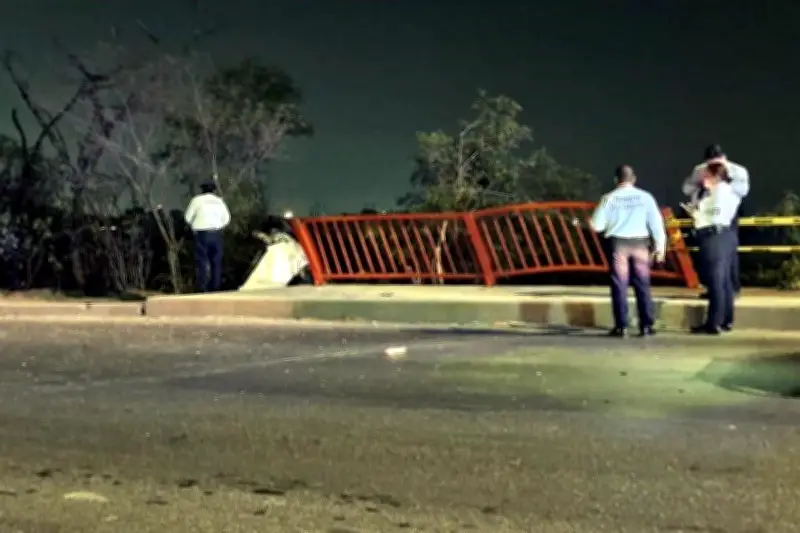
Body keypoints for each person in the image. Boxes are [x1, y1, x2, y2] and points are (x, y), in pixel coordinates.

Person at [590, 165, 666, 337]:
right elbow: (656, 224)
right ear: (634, 179)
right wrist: (660, 247)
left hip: (618, 244)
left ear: (616, 180)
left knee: (619, 285)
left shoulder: (609, 198)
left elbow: (597, 226)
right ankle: (646, 325)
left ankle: (621, 326)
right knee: (643, 284)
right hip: (640, 244)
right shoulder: (646, 197)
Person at [682, 144, 749, 297]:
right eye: (710, 163)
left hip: (727, 214)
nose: (713, 166)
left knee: (728, 253)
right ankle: (712, 288)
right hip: (706, 214)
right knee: (708, 255)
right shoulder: (700, 170)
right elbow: (686, 188)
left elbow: (743, 191)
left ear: (724, 158)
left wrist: (726, 180)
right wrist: (701, 185)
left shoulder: (737, 170)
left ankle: (732, 288)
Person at [684, 162, 741, 334]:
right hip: (726, 236)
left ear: (715, 176)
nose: (703, 179)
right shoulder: (729, 191)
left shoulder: (718, 192)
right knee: (725, 281)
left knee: (716, 281)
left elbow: (712, 216)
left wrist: (695, 213)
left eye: (706, 175)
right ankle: (726, 320)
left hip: (714, 236)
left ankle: (713, 323)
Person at [184, 181, 231, 292]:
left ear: (202, 190)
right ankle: (215, 286)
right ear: (214, 190)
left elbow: (187, 217)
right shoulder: (219, 201)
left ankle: (202, 287)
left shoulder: (196, 200)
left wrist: (194, 224)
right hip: (216, 233)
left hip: (202, 234)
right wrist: (219, 225)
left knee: (202, 261)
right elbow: (227, 219)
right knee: (216, 261)